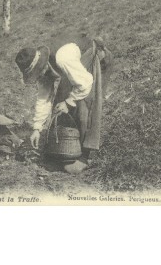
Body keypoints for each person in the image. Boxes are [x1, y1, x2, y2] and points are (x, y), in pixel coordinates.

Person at [15, 33, 113, 174]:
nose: (39, 76)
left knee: (85, 104)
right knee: (61, 102)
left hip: (95, 58)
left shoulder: (62, 58)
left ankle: (86, 156)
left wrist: (68, 103)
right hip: (76, 68)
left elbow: (85, 83)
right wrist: (36, 128)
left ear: (42, 64)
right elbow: (44, 98)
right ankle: (69, 148)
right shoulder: (44, 71)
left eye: (38, 72)